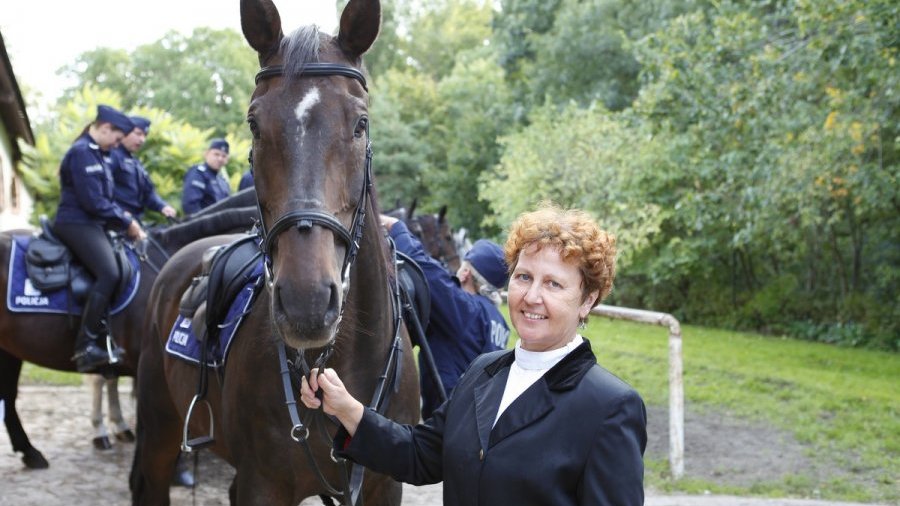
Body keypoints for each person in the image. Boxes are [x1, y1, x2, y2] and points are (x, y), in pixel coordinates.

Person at [302, 203, 647, 506]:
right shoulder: (484, 371)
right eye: (524, 277)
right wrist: (346, 408)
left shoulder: (611, 407)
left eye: (553, 284)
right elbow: (421, 455)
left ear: (588, 300)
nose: (532, 296)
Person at [380, 214, 510, 419]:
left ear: (466, 274)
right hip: (480, 418)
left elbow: (428, 271)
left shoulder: (465, 310)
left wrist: (397, 228)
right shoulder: (499, 321)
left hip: (450, 422)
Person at [54, 105, 147, 372]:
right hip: (75, 223)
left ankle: (104, 333)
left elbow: (103, 200)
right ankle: (85, 345)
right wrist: (127, 221)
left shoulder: (97, 153)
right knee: (109, 272)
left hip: (91, 224)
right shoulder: (82, 152)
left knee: (121, 268)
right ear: (105, 128)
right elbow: (93, 202)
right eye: (117, 139)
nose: (117, 145)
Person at [110, 116, 177, 222]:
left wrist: (162, 206)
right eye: (138, 134)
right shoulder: (111, 155)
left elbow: (148, 192)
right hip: (116, 219)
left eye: (145, 135)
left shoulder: (135, 162)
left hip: (135, 220)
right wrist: (119, 213)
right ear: (124, 132)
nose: (142, 140)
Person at [181, 138, 231, 214]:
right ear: (206, 154)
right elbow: (191, 207)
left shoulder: (222, 180)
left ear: (227, 159)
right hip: (203, 224)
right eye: (216, 154)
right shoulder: (198, 173)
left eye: (224, 156)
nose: (220, 159)